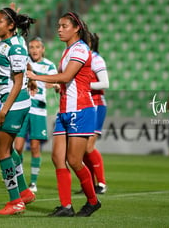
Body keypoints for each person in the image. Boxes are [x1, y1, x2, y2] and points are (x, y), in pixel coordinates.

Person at [27, 12, 101, 217]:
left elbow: (68, 75)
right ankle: (66, 207)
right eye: (58, 26)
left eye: (64, 26)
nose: (59, 29)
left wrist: (36, 76)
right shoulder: (68, 50)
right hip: (65, 111)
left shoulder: (80, 49)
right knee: (57, 158)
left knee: (75, 161)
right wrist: (55, 84)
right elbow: (68, 81)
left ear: (76, 28)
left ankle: (93, 201)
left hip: (81, 110)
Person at [0, 6, 36, 215]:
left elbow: (18, 82)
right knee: (5, 148)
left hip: (14, 103)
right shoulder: (10, 43)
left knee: (2, 151)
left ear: (10, 25)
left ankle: (15, 201)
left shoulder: (15, 47)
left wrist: (3, 110)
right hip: (11, 101)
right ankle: (25, 191)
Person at [14, 37, 59, 193]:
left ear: (43, 49)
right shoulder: (24, 62)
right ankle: (18, 178)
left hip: (39, 110)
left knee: (34, 147)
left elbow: (57, 82)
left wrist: (55, 85)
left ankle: (33, 182)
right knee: (17, 147)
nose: (34, 50)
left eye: (37, 47)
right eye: (31, 47)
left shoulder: (49, 66)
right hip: (22, 108)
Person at [82, 32, 109, 194]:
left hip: (97, 105)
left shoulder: (96, 59)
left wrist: (86, 85)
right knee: (81, 148)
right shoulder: (82, 58)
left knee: (88, 146)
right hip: (85, 105)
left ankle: (102, 183)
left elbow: (105, 83)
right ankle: (90, 183)